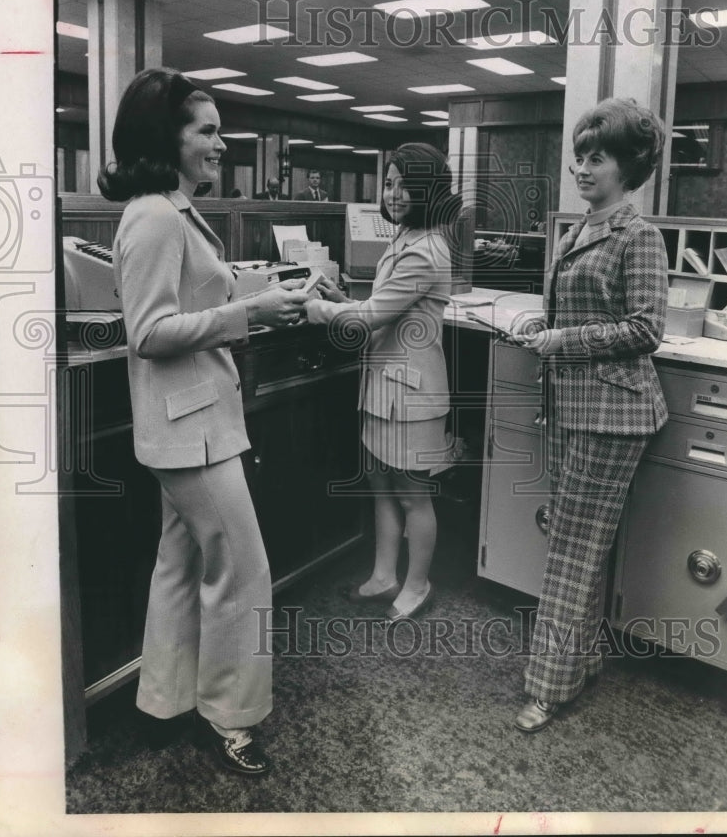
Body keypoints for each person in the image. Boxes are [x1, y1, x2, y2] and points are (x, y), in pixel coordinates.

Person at [97, 68, 308, 774]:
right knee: (243, 572)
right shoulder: (156, 216)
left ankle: (162, 703)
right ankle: (232, 718)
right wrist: (249, 315)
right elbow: (150, 331)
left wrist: (265, 291)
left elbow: (195, 294)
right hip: (191, 430)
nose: (222, 144)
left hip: (185, 424)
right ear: (169, 137)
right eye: (207, 131)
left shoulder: (167, 209)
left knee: (180, 564)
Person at [509, 97, 669, 733]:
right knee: (583, 543)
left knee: (572, 550)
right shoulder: (579, 229)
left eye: (596, 157)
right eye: (578, 155)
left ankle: (547, 688)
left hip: (612, 412)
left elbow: (645, 328)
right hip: (575, 405)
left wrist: (561, 342)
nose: (581, 167)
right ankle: (584, 662)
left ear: (628, 167)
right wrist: (542, 325)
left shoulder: (640, 235)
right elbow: (581, 312)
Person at [307, 143, 460, 622]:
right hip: (383, 389)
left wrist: (320, 309)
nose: (394, 193)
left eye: (405, 184)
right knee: (380, 484)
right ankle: (383, 574)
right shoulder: (404, 238)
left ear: (429, 190)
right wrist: (341, 294)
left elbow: (374, 316)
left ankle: (417, 584)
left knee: (414, 494)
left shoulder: (426, 250)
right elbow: (381, 301)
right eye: (389, 183)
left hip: (413, 396)